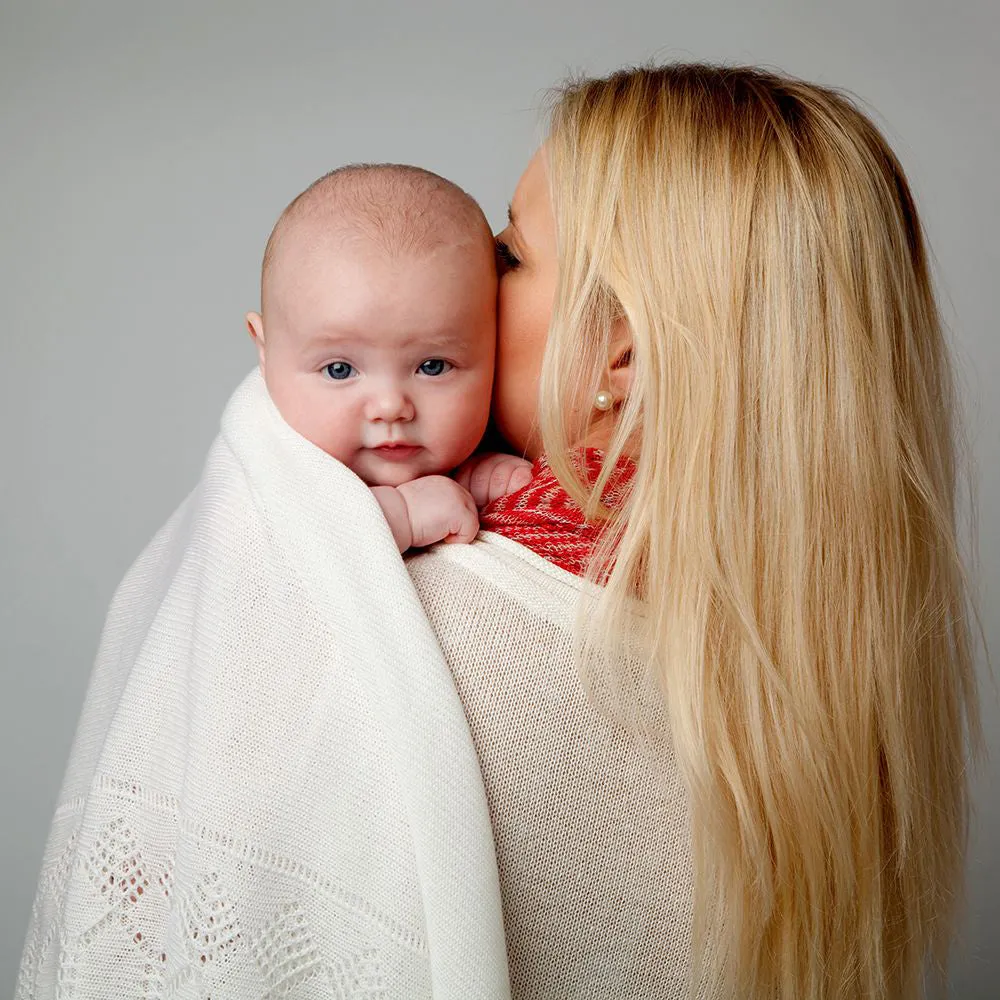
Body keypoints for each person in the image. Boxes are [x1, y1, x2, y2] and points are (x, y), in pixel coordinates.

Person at [18, 63, 981, 1000]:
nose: (474, 263)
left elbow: (164, 927)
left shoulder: (401, 625)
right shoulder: (841, 685)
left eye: (514, 252)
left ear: (620, 357)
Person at [247, 163, 533, 552]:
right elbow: (277, 559)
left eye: (432, 366)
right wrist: (398, 516)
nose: (391, 407)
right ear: (265, 352)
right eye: (339, 369)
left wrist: (475, 474)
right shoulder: (265, 471)